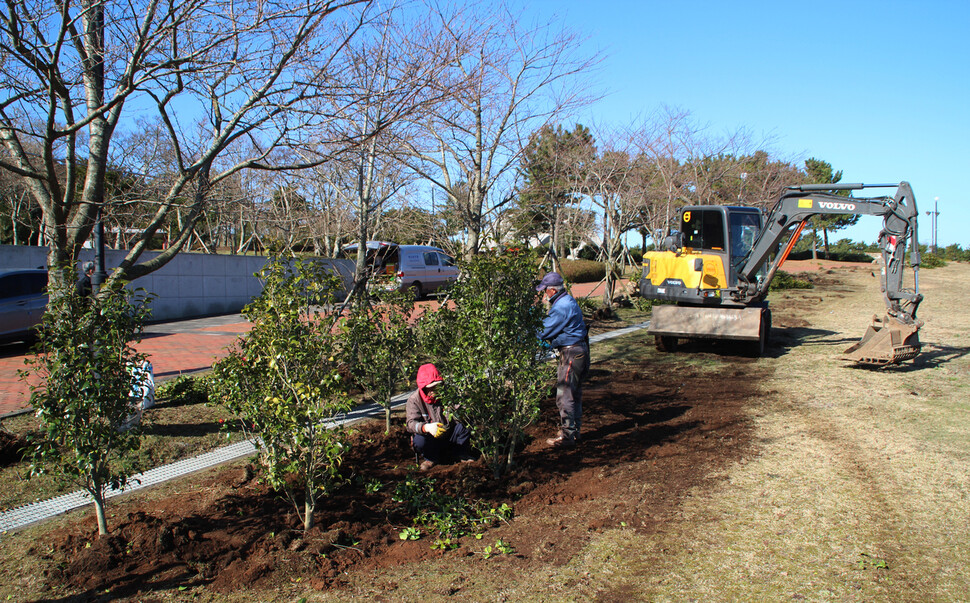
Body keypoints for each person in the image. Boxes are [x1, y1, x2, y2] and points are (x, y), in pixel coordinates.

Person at [536, 271, 589, 448]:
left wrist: (529, 331)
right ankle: (574, 431)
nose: (545, 294)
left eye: (545, 290)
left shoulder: (562, 306)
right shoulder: (567, 301)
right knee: (575, 394)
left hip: (572, 353)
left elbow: (543, 331)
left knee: (565, 395)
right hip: (579, 351)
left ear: (552, 290)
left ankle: (567, 437)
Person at [405, 363, 474, 471]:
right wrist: (426, 428)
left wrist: (458, 413)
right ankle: (431, 458)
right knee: (419, 440)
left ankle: (460, 453)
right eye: (431, 388)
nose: (434, 390)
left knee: (466, 422)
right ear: (423, 388)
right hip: (431, 439)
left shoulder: (449, 393)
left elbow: (462, 410)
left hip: (450, 434)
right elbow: (410, 424)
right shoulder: (414, 400)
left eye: (437, 386)